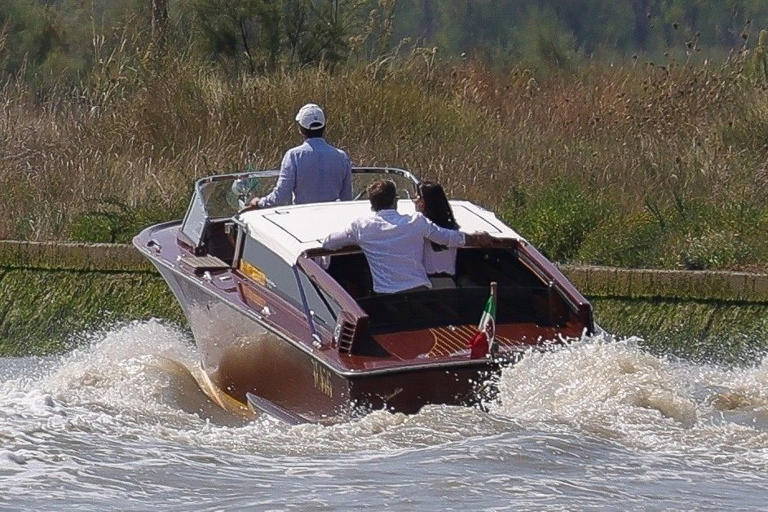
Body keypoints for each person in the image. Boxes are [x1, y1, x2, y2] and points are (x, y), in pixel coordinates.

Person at [322, 179, 492, 294]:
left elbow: (330, 242)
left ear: (372, 204)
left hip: (387, 295)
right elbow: (447, 237)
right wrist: (476, 237)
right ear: (395, 201)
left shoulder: (361, 226)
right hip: (419, 291)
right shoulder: (416, 221)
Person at [246, 103, 352, 208]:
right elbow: (347, 199)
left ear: (301, 129)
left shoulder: (294, 156)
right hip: (332, 218)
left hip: (302, 218)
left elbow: (281, 196)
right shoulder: (341, 156)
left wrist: (259, 203)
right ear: (324, 127)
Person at [414, 181, 459, 288]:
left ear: (423, 201)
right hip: (448, 284)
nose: (415, 201)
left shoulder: (422, 227)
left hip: (427, 284)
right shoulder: (451, 228)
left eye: (417, 197)